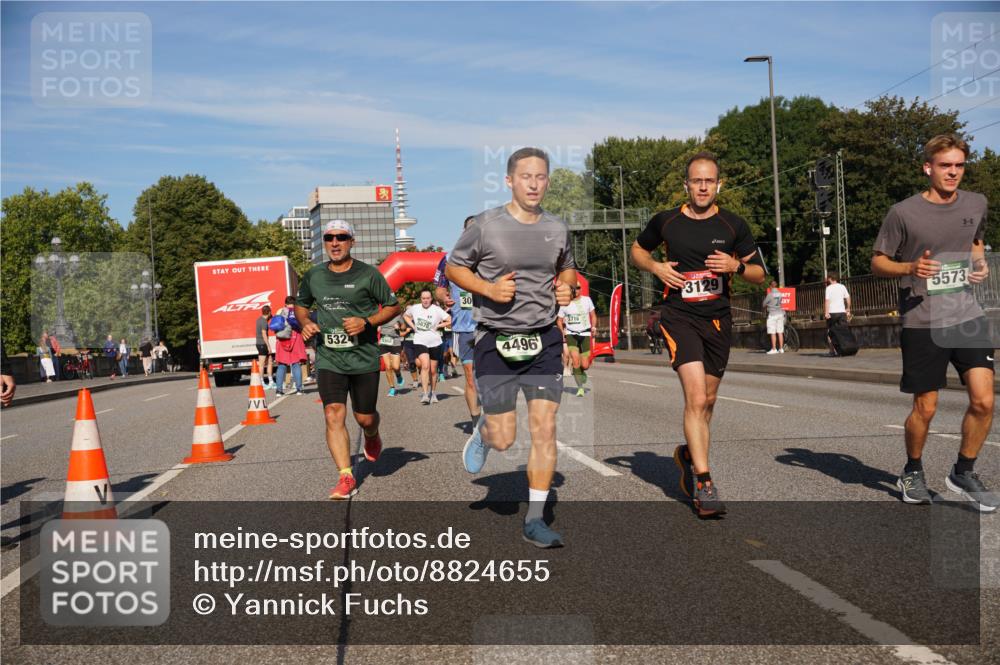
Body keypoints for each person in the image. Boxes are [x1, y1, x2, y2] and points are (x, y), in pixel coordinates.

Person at [447, 146, 576, 548]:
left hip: (543, 339)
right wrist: (487, 288)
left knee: (545, 429)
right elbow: (454, 266)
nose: (534, 184)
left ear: (547, 181)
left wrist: (567, 284)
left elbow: (567, 265)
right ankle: (486, 431)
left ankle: (535, 519)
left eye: (540, 177)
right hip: (496, 339)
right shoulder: (486, 226)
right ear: (509, 181)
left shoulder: (557, 227)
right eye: (526, 177)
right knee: (505, 439)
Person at [631, 151, 765, 518]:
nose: (702, 186)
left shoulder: (733, 225)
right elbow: (637, 250)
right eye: (696, 180)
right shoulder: (667, 221)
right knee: (694, 396)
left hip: (718, 320)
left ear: (718, 184)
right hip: (679, 316)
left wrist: (736, 266)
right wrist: (656, 267)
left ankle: (689, 454)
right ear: (686, 185)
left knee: (708, 400)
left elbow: (760, 274)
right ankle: (703, 482)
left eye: (709, 181)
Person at [871, 133, 997, 511]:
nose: (953, 172)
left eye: (959, 165)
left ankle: (964, 470)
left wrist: (979, 263)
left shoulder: (976, 203)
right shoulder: (903, 212)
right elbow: (878, 262)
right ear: (928, 168)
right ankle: (912, 470)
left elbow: (975, 240)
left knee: (984, 400)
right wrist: (910, 267)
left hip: (967, 315)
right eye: (945, 166)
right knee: (925, 407)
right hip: (923, 319)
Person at [296, 220, 401, 500]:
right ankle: (345, 475)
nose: (335, 242)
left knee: (364, 417)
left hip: (363, 356)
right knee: (333, 412)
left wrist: (366, 321)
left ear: (351, 241)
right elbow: (301, 305)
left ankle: (372, 434)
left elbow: (393, 306)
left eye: (341, 237)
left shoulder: (369, 274)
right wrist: (305, 321)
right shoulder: (314, 275)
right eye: (329, 237)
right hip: (329, 357)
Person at [435, 215, 482, 429]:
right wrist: (444, 298)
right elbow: (439, 289)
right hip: (464, 327)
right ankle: (476, 423)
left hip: (491, 324)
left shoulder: (494, 256)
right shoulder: (448, 259)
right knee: (471, 377)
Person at [403, 290, 451, 404]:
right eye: (423, 298)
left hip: (435, 341)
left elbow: (450, 320)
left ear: (431, 299)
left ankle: (433, 393)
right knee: (425, 366)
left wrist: (438, 325)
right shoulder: (415, 308)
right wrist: (413, 326)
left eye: (428, 298)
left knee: (433, 370)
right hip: (420, 340)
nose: (425, 300)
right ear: (421, 299)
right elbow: (406, 315)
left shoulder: (436, 309)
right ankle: (425, 394)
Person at [557, 286, 597, 396]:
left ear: (581, 289)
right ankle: (580, 388)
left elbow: (593, 316)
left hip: (585, 334)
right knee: (575, 361)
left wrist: (593, 327)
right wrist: (563, 333)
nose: (576, 290)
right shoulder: (565, 303)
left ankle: (580, 371)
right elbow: (559, 321)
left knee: (585, 365)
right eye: (573, 288)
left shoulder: (587, 300)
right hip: (571, 334)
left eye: (578, 287)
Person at [274, 297, 307, 396]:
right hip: (295, 337)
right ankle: (299, 389)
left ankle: (279, 390)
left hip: (282, 339)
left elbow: (275, 326)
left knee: (282, 365)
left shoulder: (280, 311)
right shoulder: (297, 311)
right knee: (296, 364)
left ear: (285, 304)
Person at [824, 272, 851, 356]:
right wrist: (848, 308)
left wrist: (826, 312)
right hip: (842, 312)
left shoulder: (828, 288)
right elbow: (848, 298)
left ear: (830, 278)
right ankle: (845, 348)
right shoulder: (842, 287)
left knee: (830, 331)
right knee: (843, 331)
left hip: (832, 313)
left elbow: (827, 301)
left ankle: (832, 351)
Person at [378, 314, 405, 397]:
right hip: (384, 341)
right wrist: (378, 328)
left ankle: (398, 375)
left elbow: (404, 327)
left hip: (395, 342)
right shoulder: (381, 315)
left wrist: (399, 327)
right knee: (388, 367)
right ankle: (392, 388)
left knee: (396, 367)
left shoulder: (397, 316)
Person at [763, 280, 786, 354]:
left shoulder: (770, 294)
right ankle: (781, 348)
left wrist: (768, 306)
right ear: (775, 286)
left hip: (772, 314)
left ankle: (774, 349)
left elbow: (763, 304)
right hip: (780, 313)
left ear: (770, 286)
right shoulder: (780, 294)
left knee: (772, 332)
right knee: (780, 331)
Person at [255, 305, 276, 389]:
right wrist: (268, 346)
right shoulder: (264, 322)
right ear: (269, 312)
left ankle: (271, 381)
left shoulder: (259, 320)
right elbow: (264, 334)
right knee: (262, 364)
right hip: (262, 344)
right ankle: (262, 382)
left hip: (259, 344)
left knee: (270, 361)